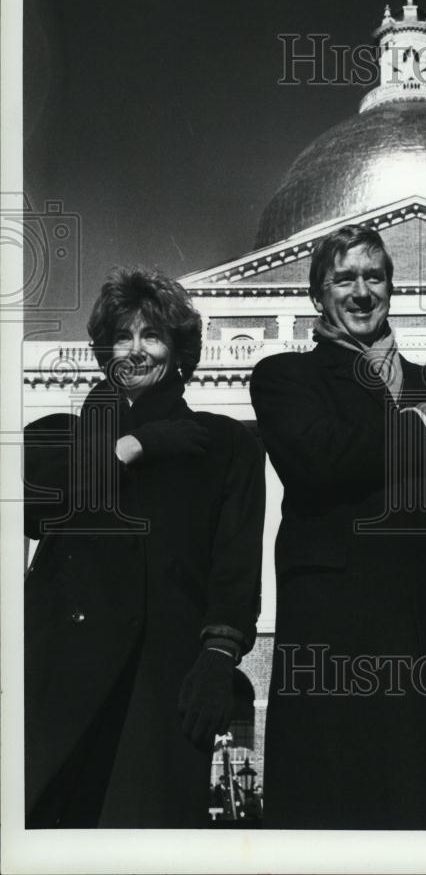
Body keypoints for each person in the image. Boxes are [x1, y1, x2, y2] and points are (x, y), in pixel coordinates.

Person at [250, 225, 426, 830]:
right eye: (345, 279)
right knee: (343, 803)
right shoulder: (286, 376)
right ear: (319, 295)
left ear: (391, 287)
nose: (361, 292)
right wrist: (419, 431)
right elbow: (318, 458)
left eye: (374, 276)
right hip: (341, 628)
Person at [24, 268, 265, 828]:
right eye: (122, 336)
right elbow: (36, 510)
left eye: (151, 336)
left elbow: (236, 565)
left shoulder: (225, 445)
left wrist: (218, 654)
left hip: (161, 686)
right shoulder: (55, 437)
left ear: (179, 351)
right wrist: (133, 446)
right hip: (55, 680)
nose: (134, 351)